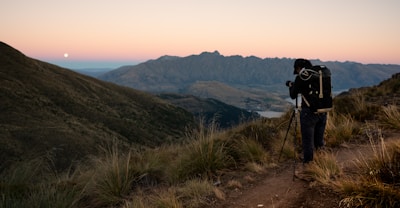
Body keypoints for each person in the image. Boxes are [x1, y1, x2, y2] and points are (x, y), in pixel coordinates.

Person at [286, 58, 327, 165]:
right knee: (319, 140)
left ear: (298, 68)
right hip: (323, 111)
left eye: (297, 70)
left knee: (307, 142)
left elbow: (293, 95)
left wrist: (291, 86)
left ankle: (308, 165)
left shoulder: (302, 77)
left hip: (308, 113)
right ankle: (322, 163)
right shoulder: (319, 74)